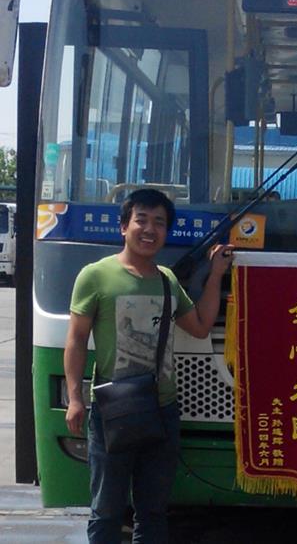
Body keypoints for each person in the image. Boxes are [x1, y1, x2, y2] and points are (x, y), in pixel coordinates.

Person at [64, 188, 233, 543]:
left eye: (159, 222)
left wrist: (216, 275)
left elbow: (200, 326)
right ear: (123, 226)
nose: (150, 229)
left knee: (153, 512)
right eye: (141, 220)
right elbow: (76, 340)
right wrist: (75, 398)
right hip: (112, 411)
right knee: (106, 511)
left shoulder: (167, 280)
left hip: (161, 410)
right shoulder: (95, 276)